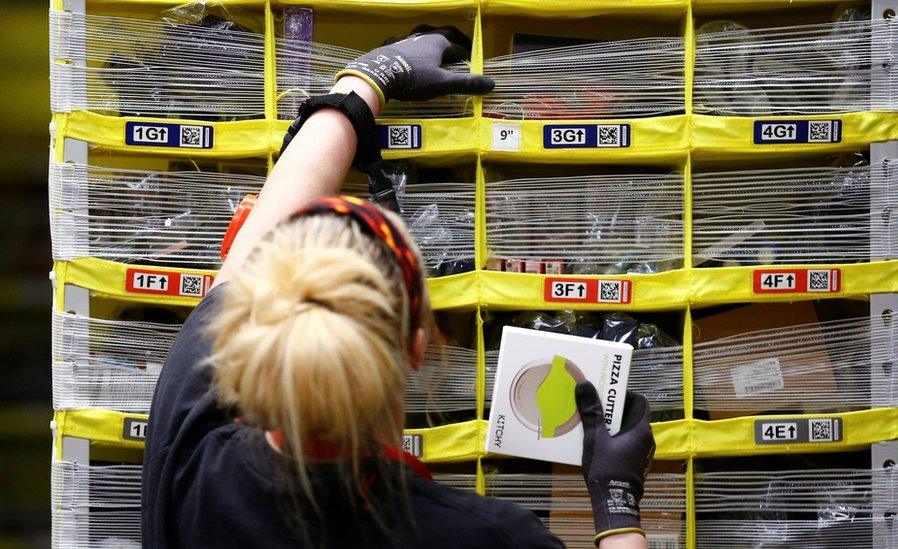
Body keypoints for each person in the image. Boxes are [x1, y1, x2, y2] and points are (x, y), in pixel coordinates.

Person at [141, 26, 655, 548]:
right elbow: (264, 241)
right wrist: (617, 505)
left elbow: (261, 236)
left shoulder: (196, 464)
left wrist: (367, 79)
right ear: (417, 346)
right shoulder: (487, 538)